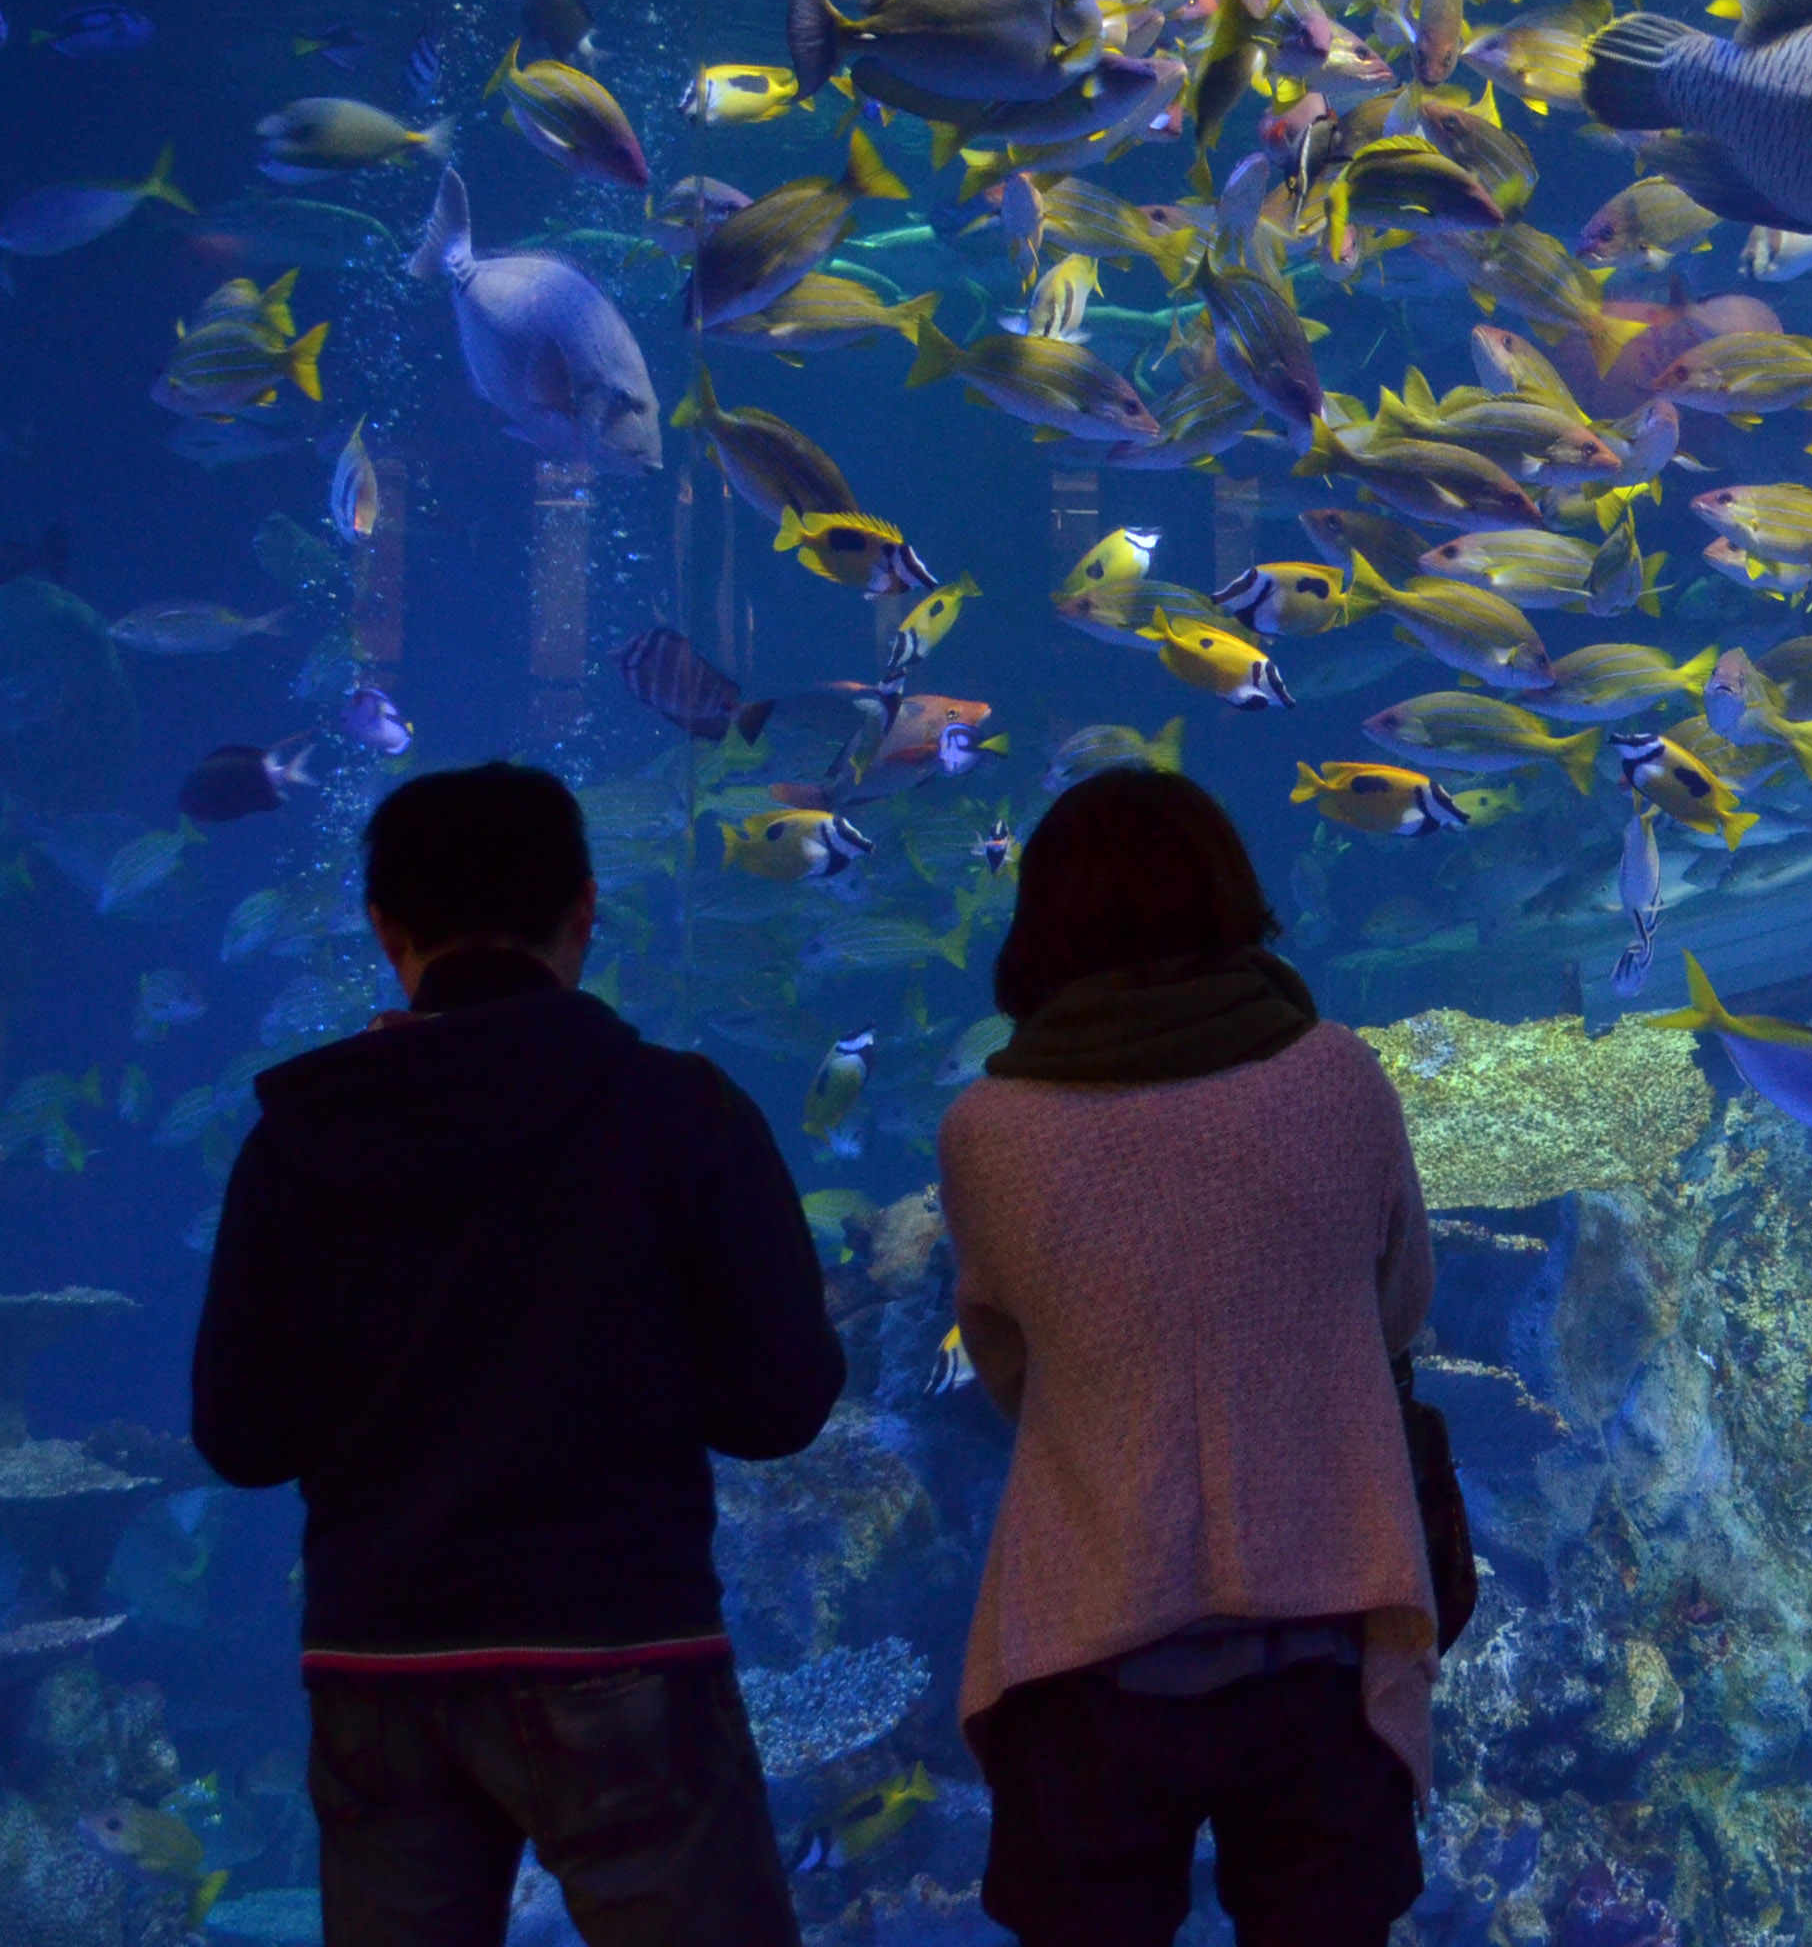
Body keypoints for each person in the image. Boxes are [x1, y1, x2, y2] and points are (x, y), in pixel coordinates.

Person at [192, 761, 846, 1947]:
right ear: (587, 910)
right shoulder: (678, 1113)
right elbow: (782, 1401)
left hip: (377, 1663)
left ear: (385, 928)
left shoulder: (295, 1144)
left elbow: (240, 1437)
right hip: (622, 1647)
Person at [939, 766, 1436, 1947]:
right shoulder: (1337, 1078)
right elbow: (1399, 1311)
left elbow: (1010, 1370)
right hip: (1324, 1637)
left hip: (1088, 1648)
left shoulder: (986, 1134)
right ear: (1230, 891)